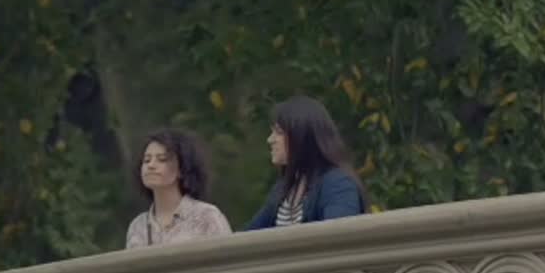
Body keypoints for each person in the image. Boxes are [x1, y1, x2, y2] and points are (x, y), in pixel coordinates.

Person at [245, 96, 367, 230]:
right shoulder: (284, 188)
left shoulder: (338, 185)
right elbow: (248, 236)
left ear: (302, 136)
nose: (270, 140)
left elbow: (338, 236)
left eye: (278, 132)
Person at [125, 127, 232, 249]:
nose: (151, 165)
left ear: (182, 168)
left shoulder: (206, 216)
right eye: (146, 160)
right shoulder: (137, 226)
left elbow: (229, 257)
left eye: (162, 159)